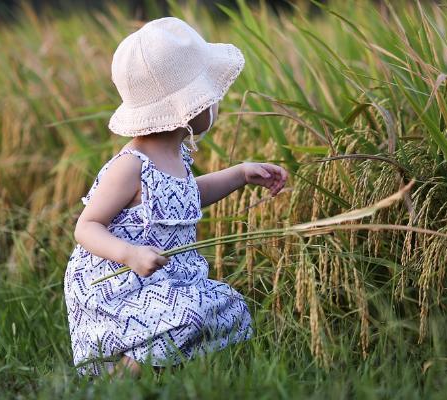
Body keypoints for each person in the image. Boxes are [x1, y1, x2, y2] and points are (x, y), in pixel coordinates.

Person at [63, 17, 288, 377]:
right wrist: (130, 254)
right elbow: (86, 226)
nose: (215, 104)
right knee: (192, 315)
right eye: (208, 97)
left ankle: (168, 368)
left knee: (230, 307)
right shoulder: (130, 166)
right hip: (121, 284)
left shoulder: (176, 156)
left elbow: (186, 197)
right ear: (184, 108)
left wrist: (241, 174)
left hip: (168, 280)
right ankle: (121, 376)